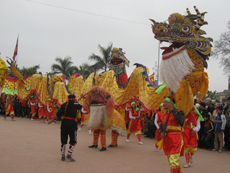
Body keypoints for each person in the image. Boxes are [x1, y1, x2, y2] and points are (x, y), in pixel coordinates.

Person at [159, 98, 184, 173]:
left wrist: (172, 110)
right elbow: (161, 127)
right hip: (167, 140)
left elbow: (181, 121)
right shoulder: (163, 115)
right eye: (164, 102)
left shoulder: (179, 112)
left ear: (171, 103)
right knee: (171, 162)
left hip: (176, 139)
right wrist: (161, 133)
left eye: (166, 102)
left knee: (173, 162)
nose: (164, 104)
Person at [57, 94, 82, 162]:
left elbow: (58, 114)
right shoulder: (75, 104)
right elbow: (80, 107)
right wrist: (77, 101)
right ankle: (69, 154)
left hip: (64, 124)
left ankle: (63, 154)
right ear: (74, 98)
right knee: (73, 140)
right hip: (72, 124)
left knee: (64, 140)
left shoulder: (64, 105)